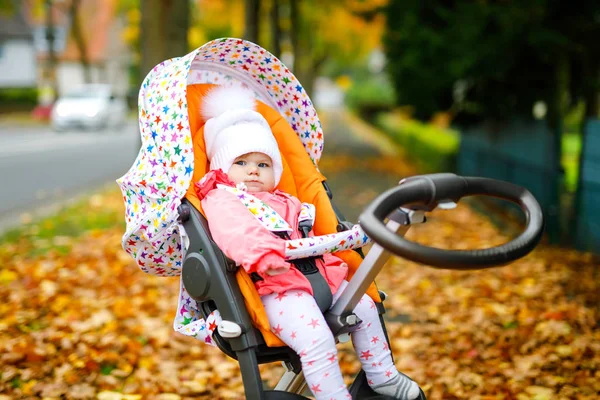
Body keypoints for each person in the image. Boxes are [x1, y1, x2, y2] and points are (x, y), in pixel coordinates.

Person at [195, 85, 421, 400]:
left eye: (263, 165)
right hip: (274, 288)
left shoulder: (287, 201)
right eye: (241, 163)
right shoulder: (225, 199)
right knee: (316, 340)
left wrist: (342, 238)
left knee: (367, 307)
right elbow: (236, 234)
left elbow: (312, 235)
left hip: (319, 276)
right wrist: (264, 256)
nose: (253, 171)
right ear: (222, 168)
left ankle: (383, 377)